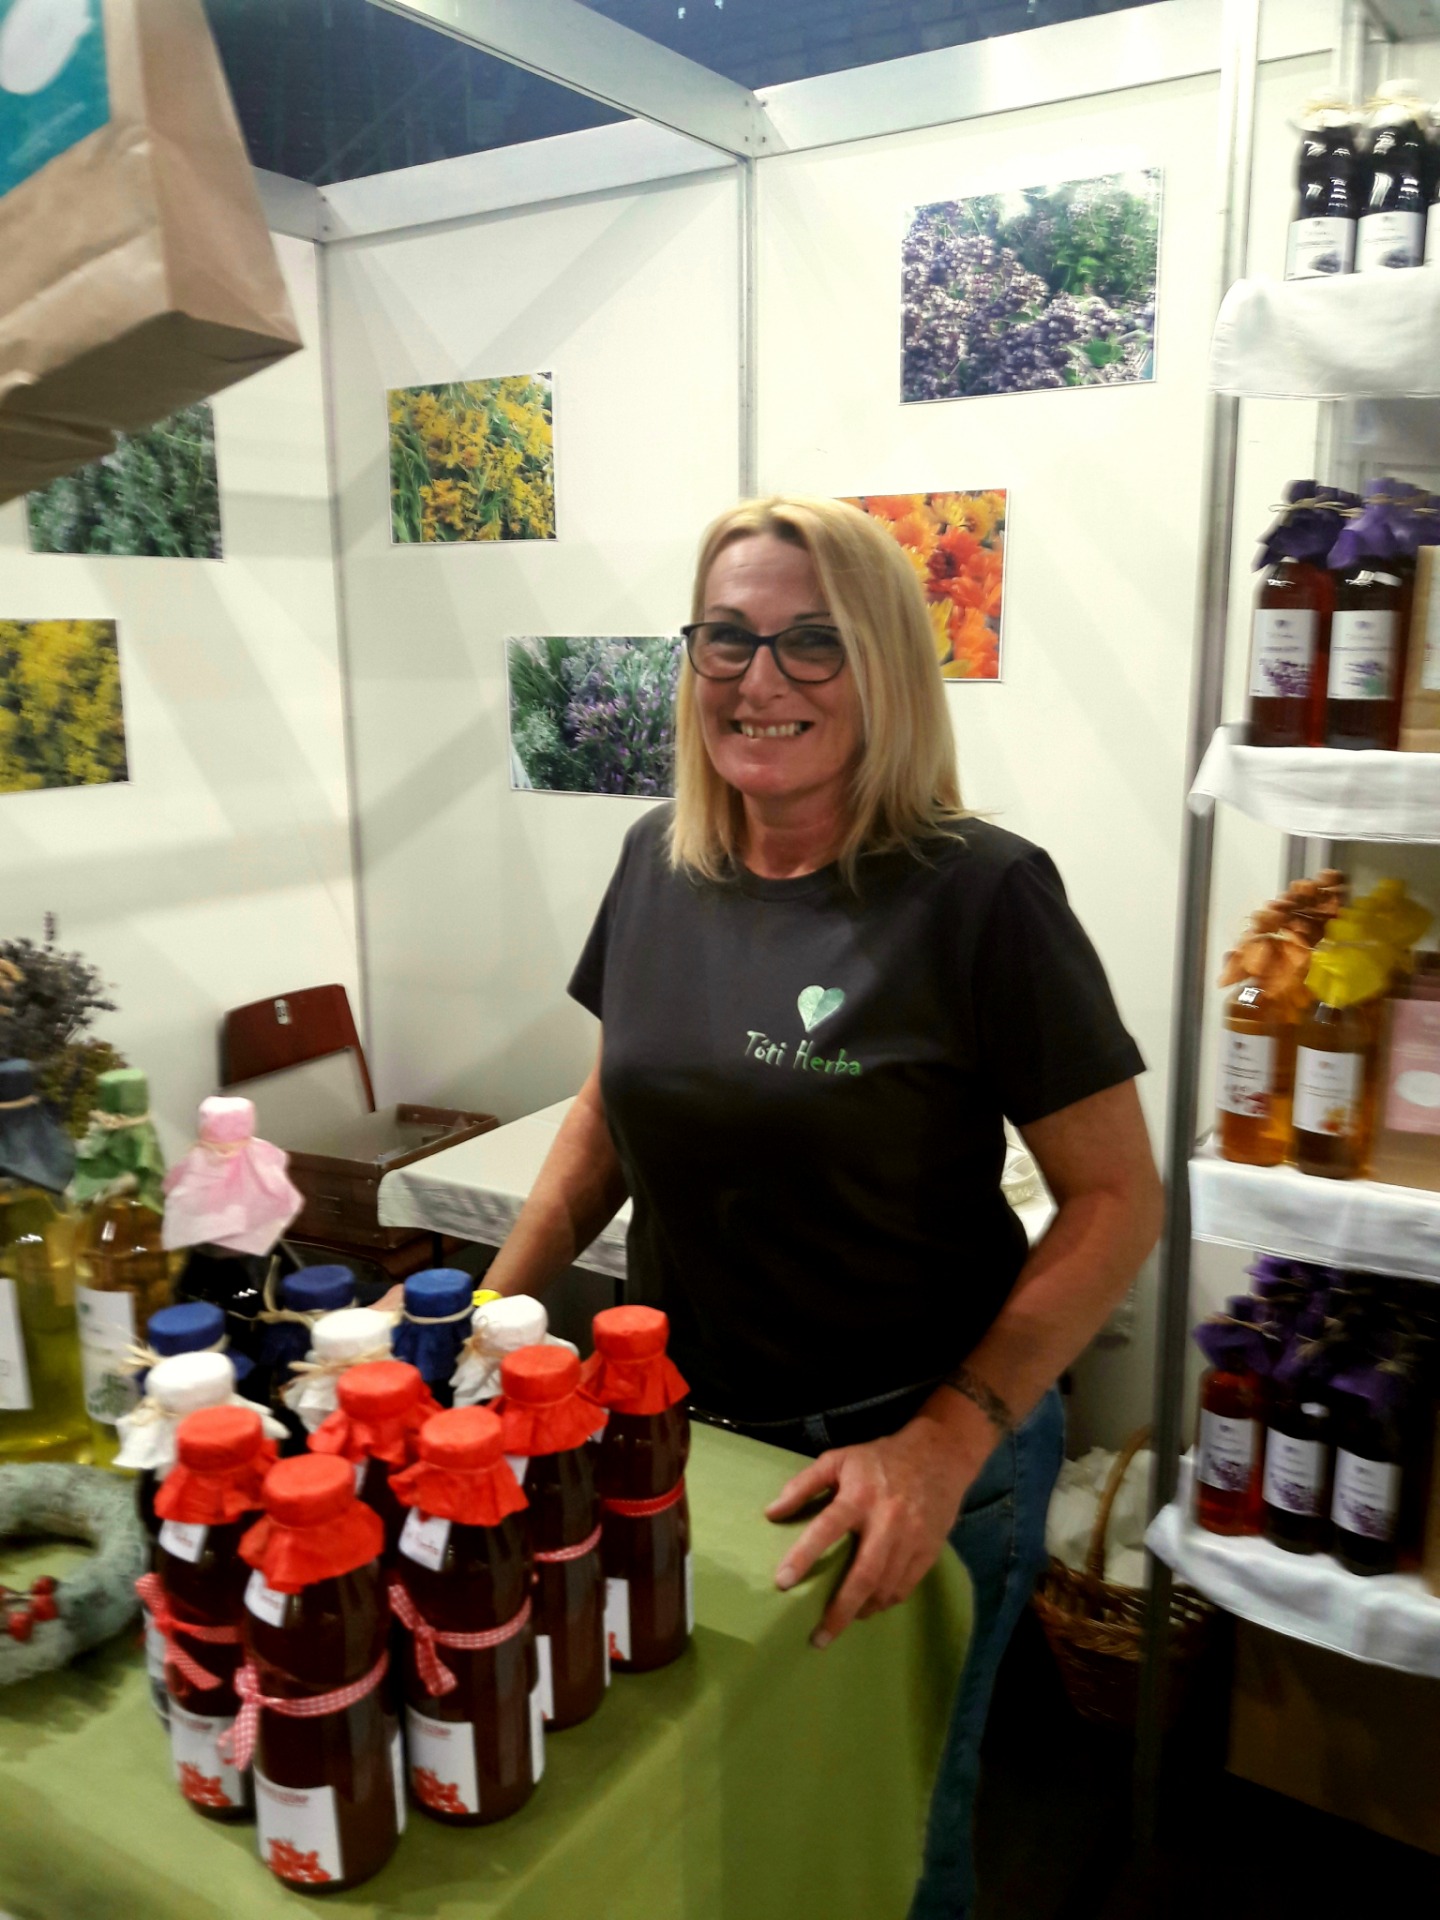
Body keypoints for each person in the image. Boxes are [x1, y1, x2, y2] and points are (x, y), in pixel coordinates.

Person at [484, 495, 1163, 1917]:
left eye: (813, 643)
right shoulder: (658, 861)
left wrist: (942, 1444)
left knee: (889, 1820)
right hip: (680, 1432)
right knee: (715, 1793)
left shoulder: (983, 894)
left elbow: (1116, 1200)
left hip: (905, 1445)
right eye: (727, 639)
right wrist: (495, 1316)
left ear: (886, 668)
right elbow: (608, 1113)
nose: (761, 679)